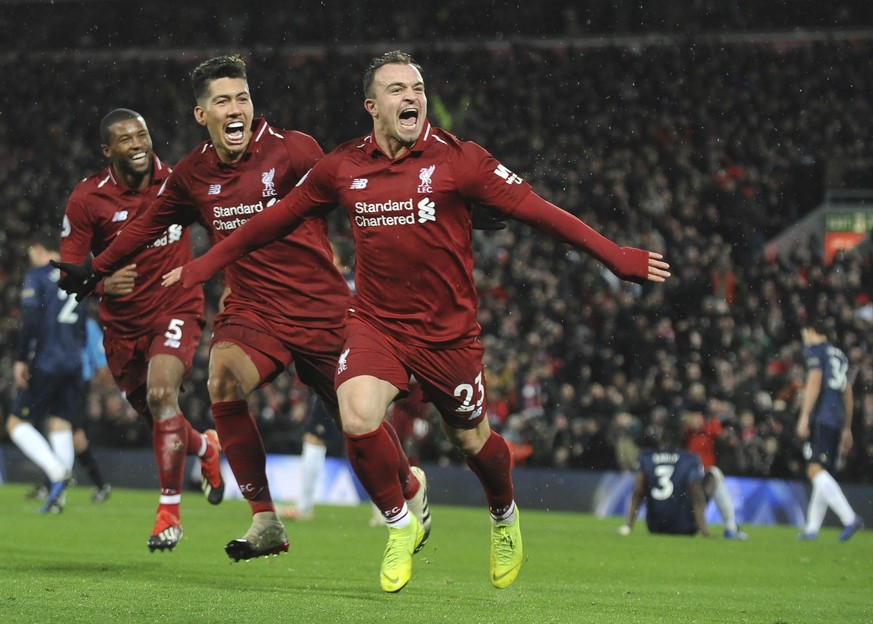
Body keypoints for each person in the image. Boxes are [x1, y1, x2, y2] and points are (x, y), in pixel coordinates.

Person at [158, 50, 671, 592]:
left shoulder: (460, 161)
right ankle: (401, 524)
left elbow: (541, 212)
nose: (412, 97)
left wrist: (615, 255)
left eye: (417, 87)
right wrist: (204, 265)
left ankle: (503, 515)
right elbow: (272, 221)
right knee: (355, 414)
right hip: (376, 324)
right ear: (372, 106)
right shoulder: (342, 166)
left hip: (449, 336)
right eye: (398, 89)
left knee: (472, 442)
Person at [52, 55, 430, 562]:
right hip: (253, 310)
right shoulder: (192, 174)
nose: (236, 109)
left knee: (354, 421)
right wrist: (96, 270)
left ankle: (408, 485)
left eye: (243, 98)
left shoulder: (294, 150)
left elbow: (358, 190)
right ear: (201, 114)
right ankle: (265, 518)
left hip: (322, 311)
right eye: (223, 101)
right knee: (222, 382)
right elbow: (144, 227)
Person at [56, 108, 224, 551]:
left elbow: (224, 231)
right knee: (160, 417)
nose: (138, 144)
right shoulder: (87, 199)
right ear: (107, 151)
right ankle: (207, 449)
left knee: (161, 393)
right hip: (122, 328)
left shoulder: (179, 183)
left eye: (143, 134)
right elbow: (68, 274)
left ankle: (168, 514)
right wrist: (103, 284)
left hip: (175, 307)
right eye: (126, 139)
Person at [6, 230, 84, 514]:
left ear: (39, 248)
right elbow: (82, 322)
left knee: (16, 424)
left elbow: (30, 320)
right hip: (73, 362)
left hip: (46, 360)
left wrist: (21, 358)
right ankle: (58, 499)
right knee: (60, 424)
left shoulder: (37, 276)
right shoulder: (74, 274)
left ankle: (55, 472)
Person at [795, 321, 864, 541]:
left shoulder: (815, 351)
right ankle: (811, 529)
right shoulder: (840, 355)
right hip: (837, 419)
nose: (804, 337)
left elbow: (814, 382)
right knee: (821, 471)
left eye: (805, 332)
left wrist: (804, 415)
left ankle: (849, 518)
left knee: (814, 470)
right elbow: (848, 392)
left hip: (823, 417)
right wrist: (846, 427)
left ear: (812, 330)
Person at [618, 421, 710, 537]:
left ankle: (627, 526)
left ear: (661, 438)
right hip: (685, 527)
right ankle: (730, 526)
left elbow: (638, 491)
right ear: (681, 439)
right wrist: (703, 529)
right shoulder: (690, 459)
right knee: (713, 474)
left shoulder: (646, 456)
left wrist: (628, 525)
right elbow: (695, 492)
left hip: (655, 526)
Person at [683, 393, 748, 539]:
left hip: (706, 476)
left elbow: (722, 439)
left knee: (716, 475)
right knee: (717, 476)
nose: (696, 420)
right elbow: (677, 428)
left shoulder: (711, 426)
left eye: (698, 417)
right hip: (687, 475)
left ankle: (730, 527)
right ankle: (730, 526)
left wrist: (728, 436)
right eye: (693, 417)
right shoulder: (686, 431)